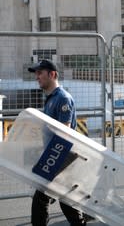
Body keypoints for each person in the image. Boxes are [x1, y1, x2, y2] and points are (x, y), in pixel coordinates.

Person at [28, 59, 86, 226]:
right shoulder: (51, 98)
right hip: (55, 156)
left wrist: (51, 160)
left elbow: (65, 132)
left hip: (60, 157)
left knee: (41, 200)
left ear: (52, 74)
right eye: (36, 73)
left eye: (40, 73)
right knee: (66, 202)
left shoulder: (62, 98)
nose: (37, 77)